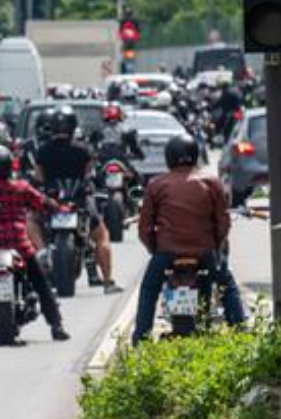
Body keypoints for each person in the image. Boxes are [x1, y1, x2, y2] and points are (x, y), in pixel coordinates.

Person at [131, 134, 245, 344]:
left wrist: (156, 249)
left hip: (167, 252)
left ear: (169, 157)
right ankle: (241, 333)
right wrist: (216, 246)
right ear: (195, 155)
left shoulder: (156, 185)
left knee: (149, 289)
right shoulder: (212, 182)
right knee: (226, 285)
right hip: (204, 251)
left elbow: (145, 227)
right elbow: (223, 222)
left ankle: (140, 339)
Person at [0, 145, 70, 342]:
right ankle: (56, 325)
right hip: (19, 245)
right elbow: (43, 203)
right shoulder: (20, 188)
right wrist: (57, 207)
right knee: (41, 284)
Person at [34, 106, 122, 293]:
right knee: (101, 236)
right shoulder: (84, 150)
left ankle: (41, 252)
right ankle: (107, 282)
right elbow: (89, 174)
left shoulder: (43, 151)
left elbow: (39, 177)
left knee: (30, 220)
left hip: (51, 202)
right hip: (79, 201)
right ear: (73, 126)